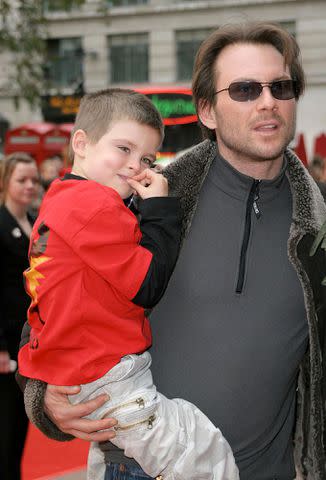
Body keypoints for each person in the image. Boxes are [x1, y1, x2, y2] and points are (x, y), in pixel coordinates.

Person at [17, 22, 326, 480]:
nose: (267, 101)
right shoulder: (147, 199)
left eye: (281, 86)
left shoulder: (318, 225)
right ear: (207, 110)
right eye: (244, 89)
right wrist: (44, 395)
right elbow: (47, 308)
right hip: (143, 468)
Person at [17, 88, 238, 480]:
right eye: (123, 149)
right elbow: (149, 283)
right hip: (109, 373)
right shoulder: (96, 204)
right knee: (206, 452)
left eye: (147, 159)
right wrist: (159, 209)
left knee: (117, 455)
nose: (136, 167)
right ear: (81, 143)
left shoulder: (59, 199)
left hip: (80, 372)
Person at [0, 152, 39, 480]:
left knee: (18, 431)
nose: (29, 186)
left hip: (28, 338)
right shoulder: (0, 225)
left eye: (34, 180)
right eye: (21, 180)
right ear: (5, 182)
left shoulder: (38, 220)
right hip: (5, 343)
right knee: (5, 431)